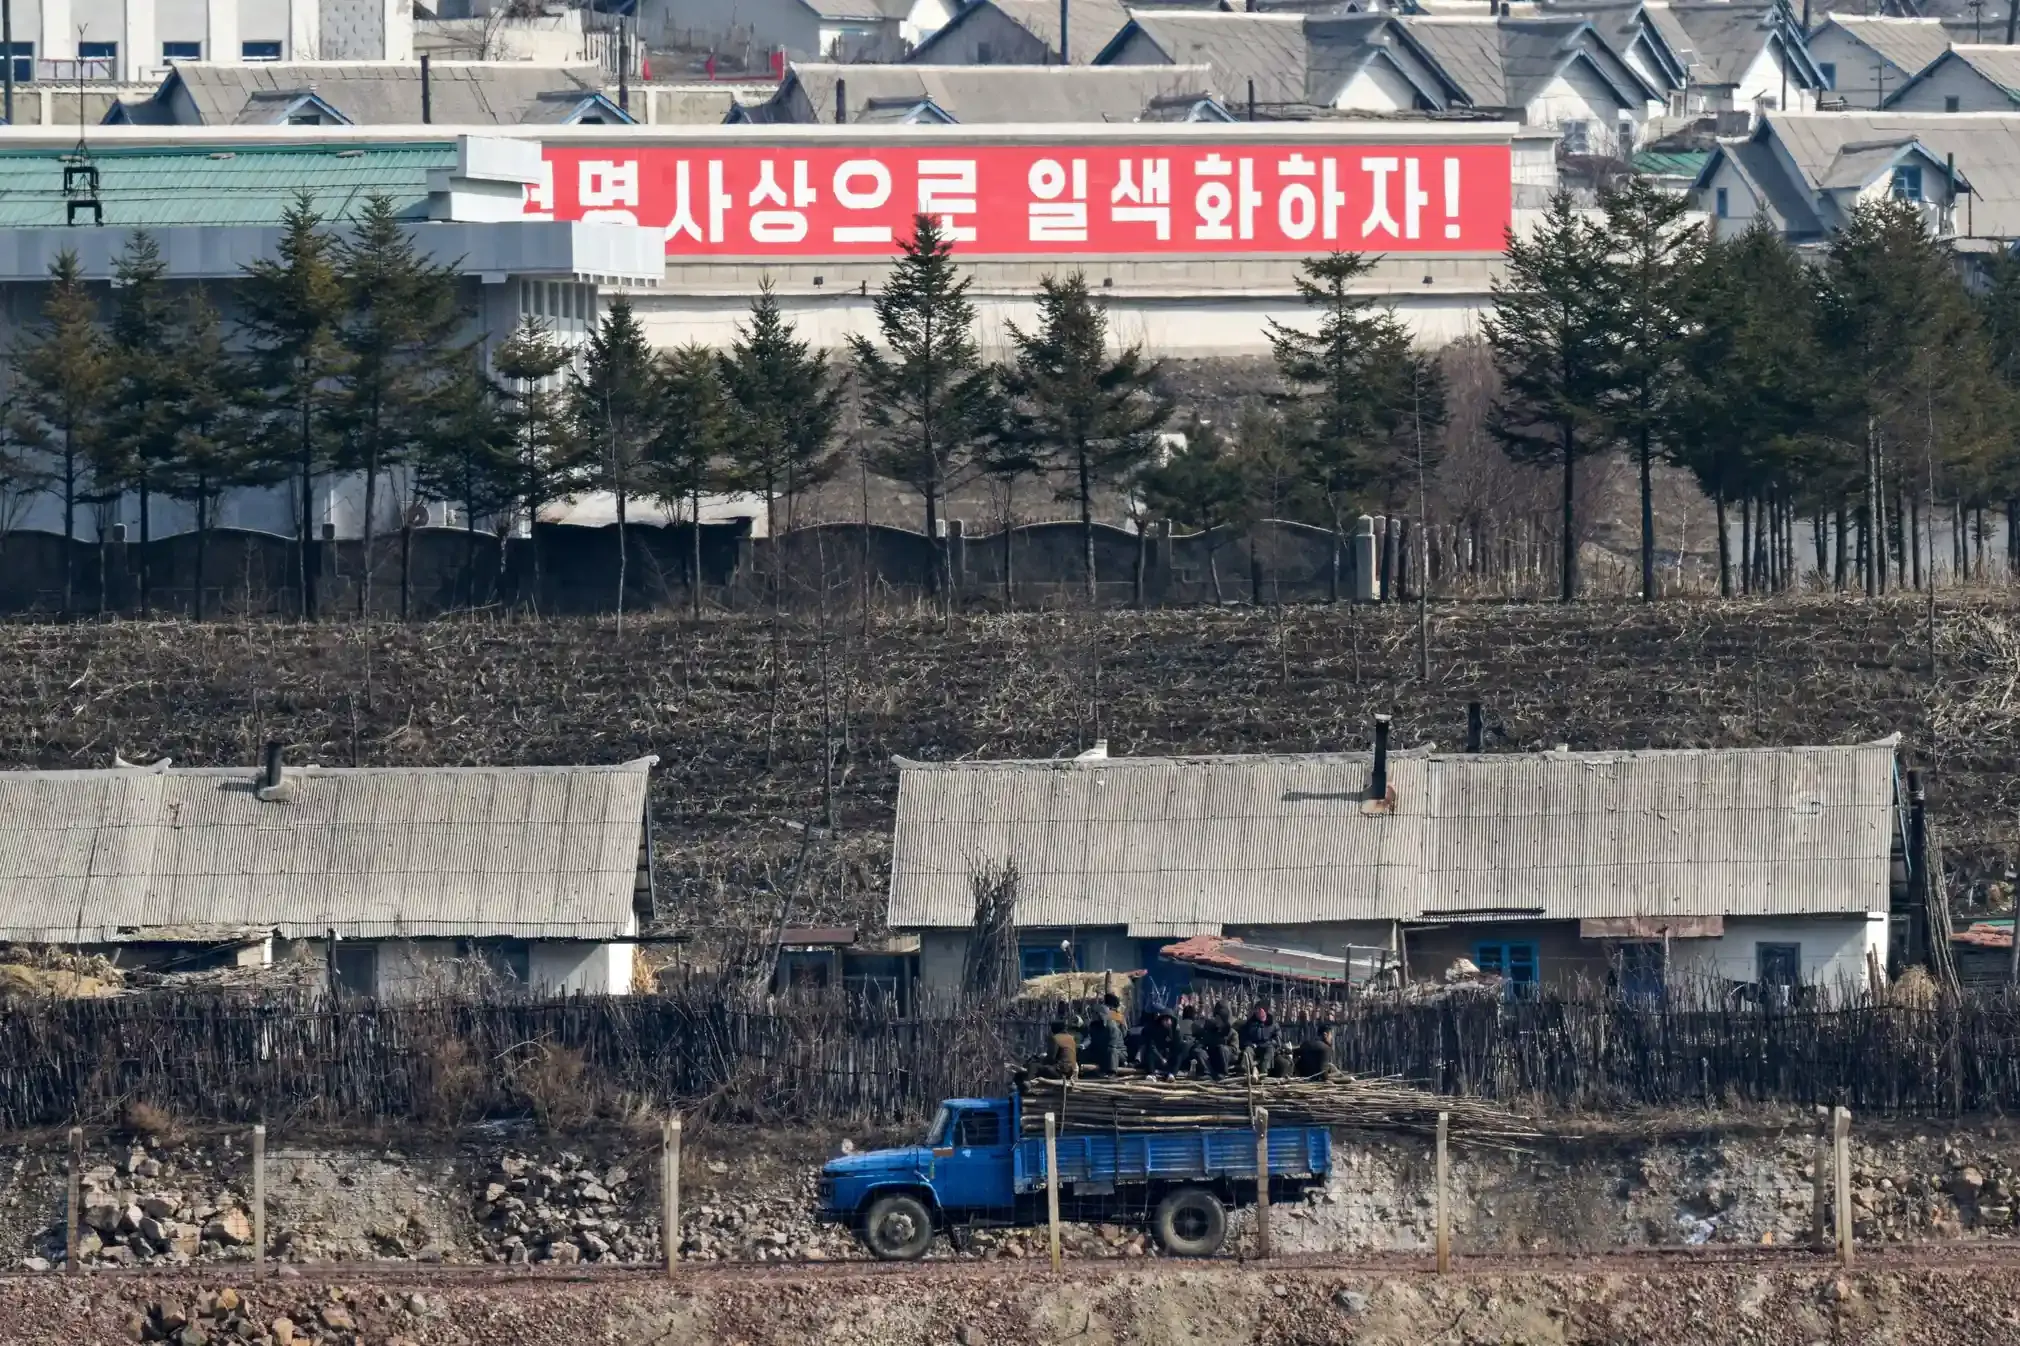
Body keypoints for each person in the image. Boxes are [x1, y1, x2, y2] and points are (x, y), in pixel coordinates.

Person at [1082, 992, 1126, 1076]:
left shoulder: (1112, 1023)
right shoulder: (1117, 1016)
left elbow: (1114, 1042)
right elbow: (1125, 1033)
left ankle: (1111, 1072)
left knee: (1111, 1050)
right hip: (1104, 1048)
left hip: (1115, 1048)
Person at [1240, 1003, 1281, 1077]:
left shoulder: (1273, 1024)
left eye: (1260, 1010)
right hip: (1253, 1046)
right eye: (1257, 1010)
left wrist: (1271, 1043)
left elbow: (1277, 1039)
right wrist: (1250, 1044)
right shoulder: (1249, 1024)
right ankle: (1248, 1071)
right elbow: (1243, 1038)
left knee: (1269, 1050)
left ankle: (1264, 1072)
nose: (1258, 1012)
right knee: (1247, 1051)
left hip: (1267, 1046)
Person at [1196, 1001, 1234, 1078]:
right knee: (1198, 1051)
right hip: (1212, 1056)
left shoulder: (1232, 1033)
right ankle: (1208, 1072)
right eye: (1216, 1018)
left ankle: (1223, 1073)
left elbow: (1235, 1050)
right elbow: (1203, 1042)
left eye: (1219, 1019)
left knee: (1222, 1048)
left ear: (1224, 1021)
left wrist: (1222, 1047)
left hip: (1224, 1059)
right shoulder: (1211, 1031)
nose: (1216, 1020)